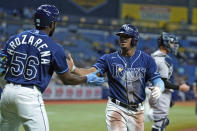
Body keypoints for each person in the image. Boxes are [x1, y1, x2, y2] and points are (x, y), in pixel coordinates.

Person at [0, 4, 104, 131]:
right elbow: (67, 80)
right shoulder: (54, 47)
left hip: (7, 93)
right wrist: (86, 79)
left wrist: (7, 88)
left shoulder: (13, 39)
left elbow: (0, 68)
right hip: (29, 95)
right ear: (52, 24)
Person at [67, 24, 165, 131]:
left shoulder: (146, 59)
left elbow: (157, 80)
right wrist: (74, 69)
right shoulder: (109, 58)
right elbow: (91, 72)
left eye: (126, 36)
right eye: (121, 36)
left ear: (135, 39)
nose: (122, 39)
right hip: (116, 108)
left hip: (137, 111)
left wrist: (159, 88)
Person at [150, 32, 190, 131]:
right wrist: (179, 87)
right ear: (165, 43)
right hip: (160, 93)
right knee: (159, 125)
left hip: (155, 92)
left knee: (161, 123)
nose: (174, 45)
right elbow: (163, 82)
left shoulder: (154, 56)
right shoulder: (162, 60)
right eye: (172, 42)